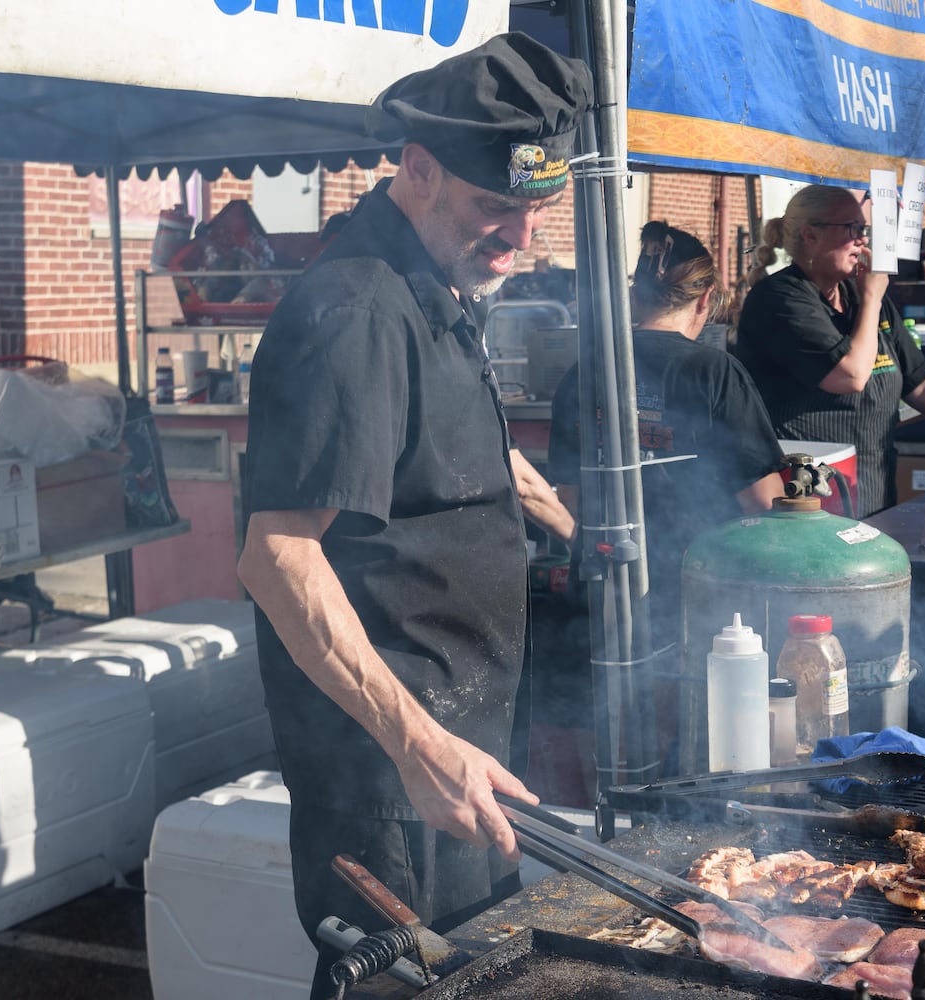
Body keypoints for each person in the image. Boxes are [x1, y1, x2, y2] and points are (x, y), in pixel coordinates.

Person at [234, 33, 592, 1000]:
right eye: (494, 210)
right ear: (420, 168)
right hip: (394, 773)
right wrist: (419, 747)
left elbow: (455, 448)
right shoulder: (355, 309)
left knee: (477, 979)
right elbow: (276, 557)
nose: (519, 242)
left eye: (535, 211)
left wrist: (580, 528)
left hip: (459, 746)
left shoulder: (436, 281)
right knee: (404, 988)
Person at [547, 222, 787, 756]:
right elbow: (765, 506)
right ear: (705, 301)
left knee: (612, 746)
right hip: (699, 602)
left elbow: (571, 498)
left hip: (604, 592)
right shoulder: (716, 372)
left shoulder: (584, 373)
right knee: (688, 752)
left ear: (634, 295)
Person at [733, 185, 925, 518]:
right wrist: (871, 298)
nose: (863, 240)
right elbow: (850, 375)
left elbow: (923, 386)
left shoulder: (860, 296)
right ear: (810, 235)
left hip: (873, 493)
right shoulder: (781, 298)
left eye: (864, 229)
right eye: (852, 229)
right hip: (811, 502)